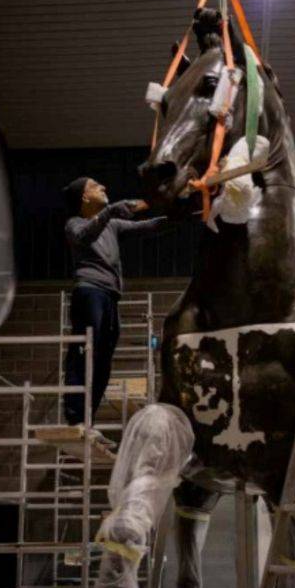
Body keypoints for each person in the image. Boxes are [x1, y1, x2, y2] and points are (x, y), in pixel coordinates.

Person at [61, 176, 174, 427]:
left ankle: (87, 420)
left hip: (110, 295)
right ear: (84, 197)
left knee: (103, 359)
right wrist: (110, 211)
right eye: (96, 186)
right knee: (85, 353)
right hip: (89, 291)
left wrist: (182, 215)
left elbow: (148, 226)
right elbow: (84, 237)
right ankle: (74, 416)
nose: (104, 187)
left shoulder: (111, 225)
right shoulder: (74, 224)